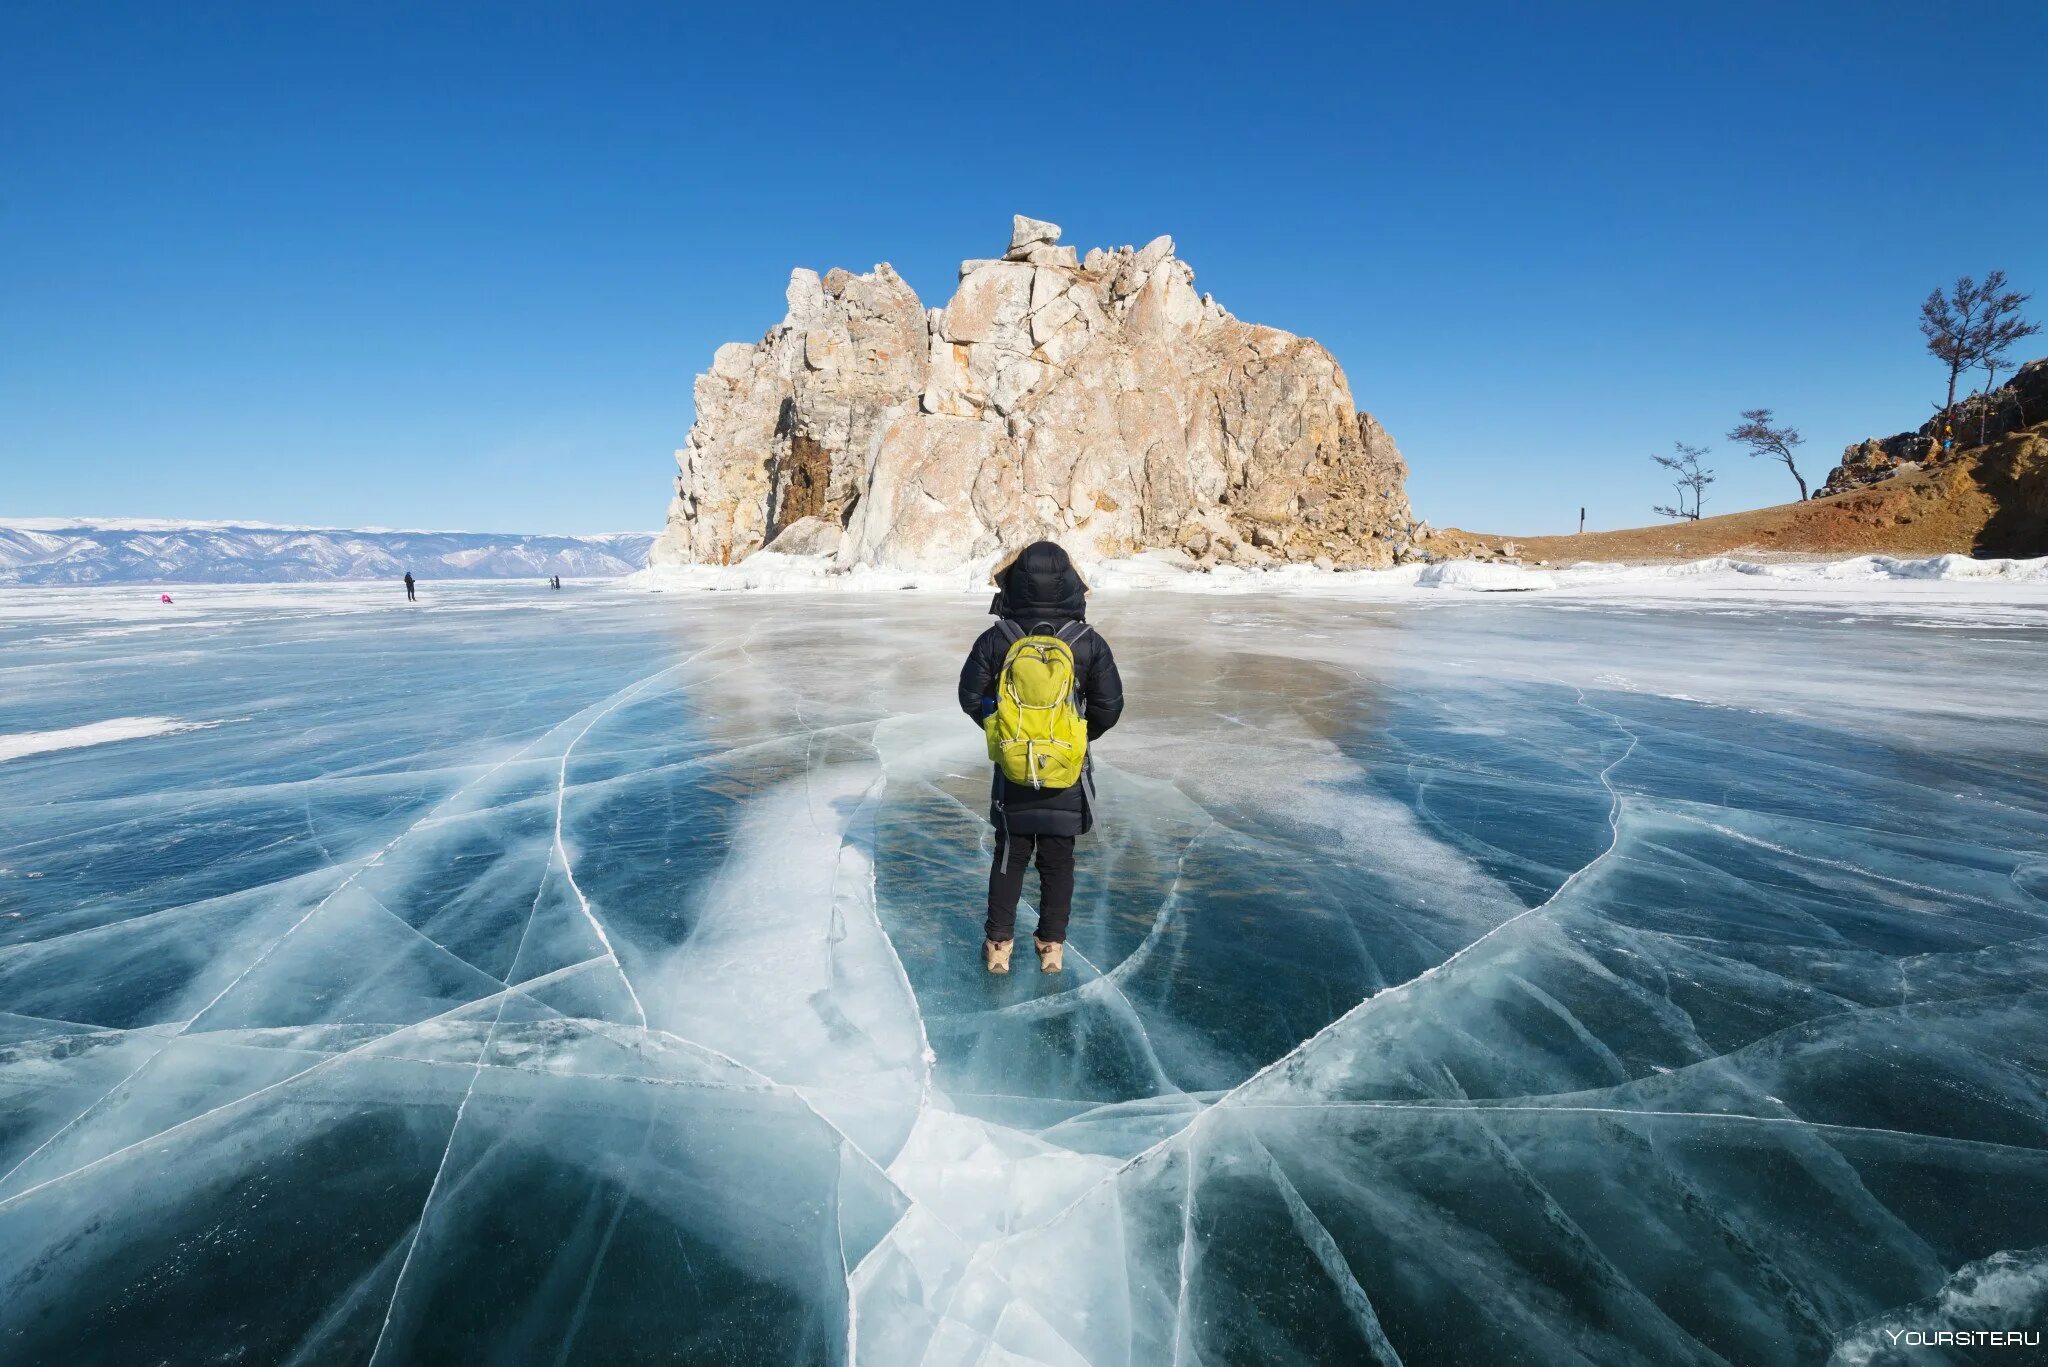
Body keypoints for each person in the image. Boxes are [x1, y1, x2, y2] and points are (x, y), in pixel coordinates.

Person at [957, 540, 1123, 974]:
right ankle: (1051, 948)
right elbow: (1109, 707)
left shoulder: (998, 638)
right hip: (1066, 771)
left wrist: (1006, 733)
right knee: (1058, 858)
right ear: (1069, 583)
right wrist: (1073, 741)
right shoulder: (1087, 642)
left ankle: (998, 948)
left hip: (1013, 770)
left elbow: (970, 696)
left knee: (1010, 855)